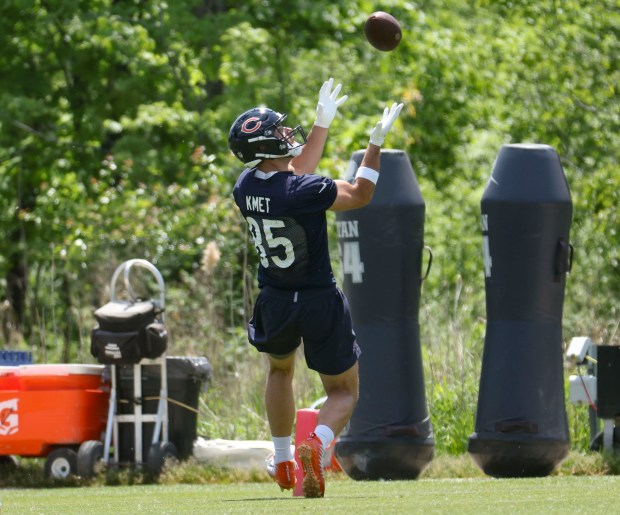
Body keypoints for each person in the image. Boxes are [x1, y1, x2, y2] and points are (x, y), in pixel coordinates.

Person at [228, 78, 403, 498]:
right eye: (281, 133)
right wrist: (374, 145)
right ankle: (318, 443)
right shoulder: (305, 191)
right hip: (318, 299)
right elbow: (360, 194)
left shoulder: (245, 187)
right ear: (267, 148)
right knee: (343, 390)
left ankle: (284, 456)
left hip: (273, 299)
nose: (290, 134)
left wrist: (321, 122)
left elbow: (292, 172)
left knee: (279, 370)